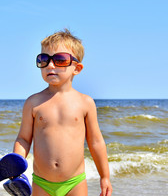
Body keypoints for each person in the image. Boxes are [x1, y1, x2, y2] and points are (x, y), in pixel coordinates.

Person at [13, 29, 112, 196]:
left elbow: (95, 142)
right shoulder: (33, 103)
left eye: (60, 60)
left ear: (77, 68)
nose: (50, 65)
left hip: (74, 182)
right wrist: (16, 168)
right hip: (41, 182)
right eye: (44, 59)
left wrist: (105, 177)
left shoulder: (85, 103)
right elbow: (23, 139)